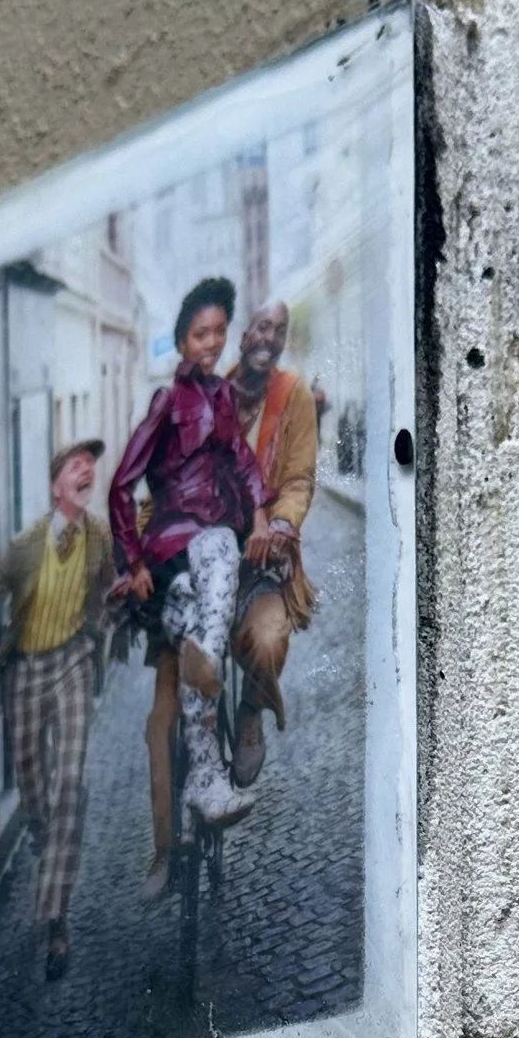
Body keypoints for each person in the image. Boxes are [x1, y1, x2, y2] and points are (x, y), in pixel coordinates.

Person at [107, 276, 264, 895]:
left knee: (204, 619)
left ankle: (206, 775)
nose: (213, 342)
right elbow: (123, 483)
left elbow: (243, 463)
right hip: (178, 540)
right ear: (180, 340)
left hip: (218, 537)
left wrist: (266, 516)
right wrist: (132, 562)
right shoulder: (166, 405)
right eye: (201, 333)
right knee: (198, 606)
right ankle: (189, 804)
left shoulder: (224, 397)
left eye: (220, 331)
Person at [0, 437, 116, 982]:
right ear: (55, 485)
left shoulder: (99, 538)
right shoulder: (24, 547)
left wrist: (116, 619)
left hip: (72, 664)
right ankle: (47, 836)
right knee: (34, 788)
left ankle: (54, 918)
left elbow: (109, 595)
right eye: (76, 466)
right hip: (23, 673)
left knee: (69, 783)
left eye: (90, 466)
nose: (86, 472)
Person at [225, 297, 321, 786]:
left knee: (268, 640)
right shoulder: (214, 392)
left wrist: (282, 525)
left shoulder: (295, 394)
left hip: (264, 562)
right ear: (244, 336)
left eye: (279, 331)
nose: (269, 338)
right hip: (207, 551)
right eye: (262, 327)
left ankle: (249, 711)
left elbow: (300, 477)